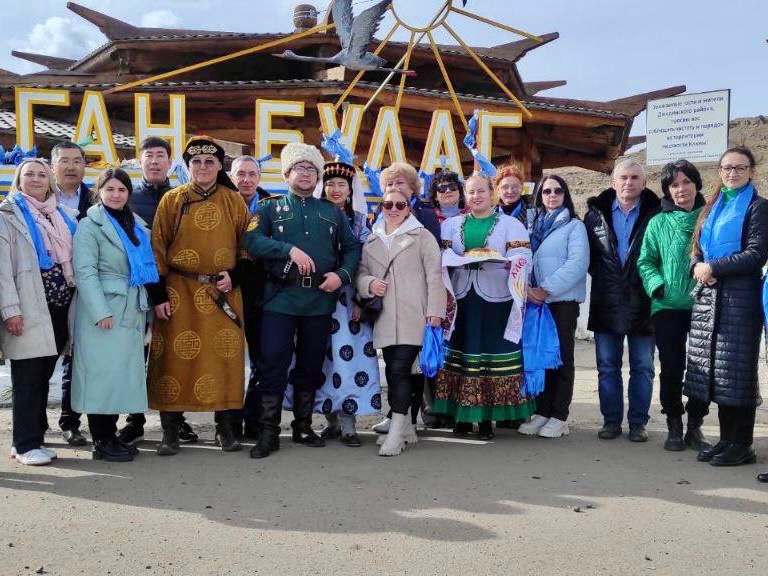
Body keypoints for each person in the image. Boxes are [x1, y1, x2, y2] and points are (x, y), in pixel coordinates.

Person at [245, 143, 361, 459]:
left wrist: (342, 275)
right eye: (300, 167)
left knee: (310, 365)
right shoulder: (268, 208)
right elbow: (251, 240)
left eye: (312, 168)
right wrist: (288, 251)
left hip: (319, 301)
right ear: (287, 174)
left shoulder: (331, 212)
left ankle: (303, 426)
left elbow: (352, 249)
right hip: (280, 299)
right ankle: (268, 432)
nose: (306, 173)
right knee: (273, 364)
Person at [147, 135, 249, 455]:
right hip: (179, 291)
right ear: (188, 166)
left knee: (225, 360)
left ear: (220, 167)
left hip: (222, 292)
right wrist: (159, 294)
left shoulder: (234, 201)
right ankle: (171, 431)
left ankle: (226, 429)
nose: (203, 167)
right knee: (172, 362)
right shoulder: (172, 199)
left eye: (210, 162)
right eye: (196, 162)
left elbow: (247, 246)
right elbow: (158, 247)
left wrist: (234, 276)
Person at [285, 161, 380, 447]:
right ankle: (331, 421)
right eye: (330, 184)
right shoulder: (311, 215)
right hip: (315, 296)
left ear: (350, 190)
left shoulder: (361, 222)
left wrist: (362, 300)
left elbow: (366, 262)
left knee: (349, 359)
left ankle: (350, 424)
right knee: (320, 358)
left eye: (341, 184)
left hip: (348, 298)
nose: (335, 189)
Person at [685, 146, 768, 468]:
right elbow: (697, 250)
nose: (732, 173)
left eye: (740, 168)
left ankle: (742, 444)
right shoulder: (712, 207)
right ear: (719, 172)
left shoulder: (759, 208)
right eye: (727, 168)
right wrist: (697, 266)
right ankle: (726, 439)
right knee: (718, 375)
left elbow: (756, 253)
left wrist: (713, 268)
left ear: (751, 171)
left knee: (738, 374)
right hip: (709, 297)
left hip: (740, 299)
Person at [434, 172, 534, 439]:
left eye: (481, 191)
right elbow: (440, 254)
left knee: (488, 358)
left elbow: (524, 256)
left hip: (495, 301)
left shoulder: (511, 225)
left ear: (492, 193)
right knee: (461, 357)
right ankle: (461, 418)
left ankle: (488, 419)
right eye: (471, 192)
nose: (476, 197)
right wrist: (454, 257)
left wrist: (508, 261)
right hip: (462, 300)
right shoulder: (452, 225)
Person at [72, 168, 158, 462]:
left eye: (121, 190)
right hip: (104, 311)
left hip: (130, 309)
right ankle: (102, 440)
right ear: (99, 192)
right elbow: (85, 271)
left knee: (119, 376)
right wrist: (99, 311)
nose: (116, 195)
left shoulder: (136, 224)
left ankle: (112, 436)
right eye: (110, 189)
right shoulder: (89, 225)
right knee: (101, 376)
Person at [118, 136, 199, 447]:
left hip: (173, 288)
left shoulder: (182, 196)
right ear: (140, 161)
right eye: (148, 155)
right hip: (135, 288)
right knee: (135, 357)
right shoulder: (127, 197)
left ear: (170, 162)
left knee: (173, 356)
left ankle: (175, 419)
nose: (154, 161)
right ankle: (134, 420)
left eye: (160, 155)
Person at [356, 185, 445, 456]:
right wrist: (370, 284)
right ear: (381, 207)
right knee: (399, 372)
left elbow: (434, 275)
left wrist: (435, 313)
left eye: (400, 204)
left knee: (398, 371)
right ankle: (405, 425)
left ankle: (397, 430)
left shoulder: (422, 236)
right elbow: (360, 273)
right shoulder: (371, 240)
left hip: (414, 316)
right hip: (384, 318)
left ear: (409, 208)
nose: (393, 209)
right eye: (388, 204)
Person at [0, 159, 77, 465]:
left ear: (50, 181)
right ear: (18, 180)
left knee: (43, 376)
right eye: (28, 174)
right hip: (28, 309)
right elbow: (2, 269)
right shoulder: (7, 216)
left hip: (58, 310)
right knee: (27, 378)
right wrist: (10, 311)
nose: (35, 178)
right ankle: (25, 443)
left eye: (41, 174)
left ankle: (31, 439)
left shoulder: (60, 215)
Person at [584, 159, 660, 442]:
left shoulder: (657, 214)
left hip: (644, 301)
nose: (628, 183)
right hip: (607, 299)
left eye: (634, 177)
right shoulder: (594, 216)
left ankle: (638, 423)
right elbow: (591, 259)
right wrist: (610, 279)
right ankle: (611, 421)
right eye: (623, 177)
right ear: (613, 181)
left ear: (643, 181)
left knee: (643, 367)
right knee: (607, 366)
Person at [637, 160, 709, 452]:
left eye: (686, 182)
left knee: (702, 367)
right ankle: (674, 424)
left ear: (696, 184)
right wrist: (658, 286)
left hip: (704, 303)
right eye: (674, 184)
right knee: (671, 366)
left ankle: (695, 425)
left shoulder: (709, 217)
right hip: (667, 306)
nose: (681, 189)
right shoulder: (657, 222)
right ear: (667, 190)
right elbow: (646, 261)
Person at [517, 174, 589, 438]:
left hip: (561, 302)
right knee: (541, 358)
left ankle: (559, 415)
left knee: (561, 359)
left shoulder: (573, 227)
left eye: (558, 190)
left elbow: (577, 264)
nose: (552, 195)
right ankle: (543, 411)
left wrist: (545, 288)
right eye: (546, 191)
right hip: (536, 303)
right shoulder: (532, 226)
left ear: (565, 194)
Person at [371, 162, 440, 434]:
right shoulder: (378, 221)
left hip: (414, 306)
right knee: (397, 367)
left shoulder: (424, 218)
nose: (394, 190)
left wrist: (433, 309)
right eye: (389, 185)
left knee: (408, 367)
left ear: (412, 190)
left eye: (400, 183)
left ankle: (405, 419)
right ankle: (402, 418)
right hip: (387, 309)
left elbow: (433, 269)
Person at [51, 141, 92, 447]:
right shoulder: (41, 199)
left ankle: (71, 422)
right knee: (43, 359)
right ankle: (36, 423)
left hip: (86, 290)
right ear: (53, 166)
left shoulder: (95, 200)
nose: (70, 166)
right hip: (50, 291)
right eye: (64, 160)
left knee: (77, 357)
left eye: (77, 161)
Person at [231, 155, 270, 440]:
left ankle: (253, 418)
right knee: (228, 358)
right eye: (240, 174)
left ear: (259, 177)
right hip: (227, 288)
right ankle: (229, 422)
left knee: (261, 358)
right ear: (232, 176)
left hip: (261, 292)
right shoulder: (221, 203)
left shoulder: (273, 206)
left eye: (251, 174)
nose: (246, 179)